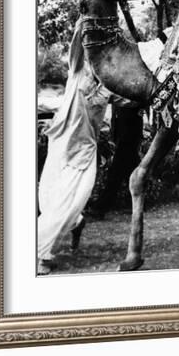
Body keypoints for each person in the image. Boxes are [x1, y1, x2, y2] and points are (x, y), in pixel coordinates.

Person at [37, 20, 111, 275]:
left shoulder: (107, 85)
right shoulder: (79, 71)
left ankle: (44, 251)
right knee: (52, 198)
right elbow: (76, 48)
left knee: (70, 200)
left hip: (84, 149)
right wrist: (83, 22)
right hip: (63, 142)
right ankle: (44, 249)